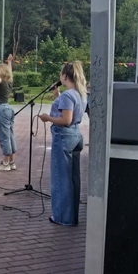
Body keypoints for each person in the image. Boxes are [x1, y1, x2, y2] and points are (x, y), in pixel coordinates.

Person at [39, 62, 87, 226]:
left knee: (61, 178)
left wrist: (47, 118)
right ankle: (71, 216)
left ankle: (62, 217)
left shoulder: (68, 95)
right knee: (72, 178)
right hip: (75, 136)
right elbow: (70, 112)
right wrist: (57, 95)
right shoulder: (80, 93)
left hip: (64, 137)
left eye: (61, 74)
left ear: (65, 76)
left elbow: (66, 120)